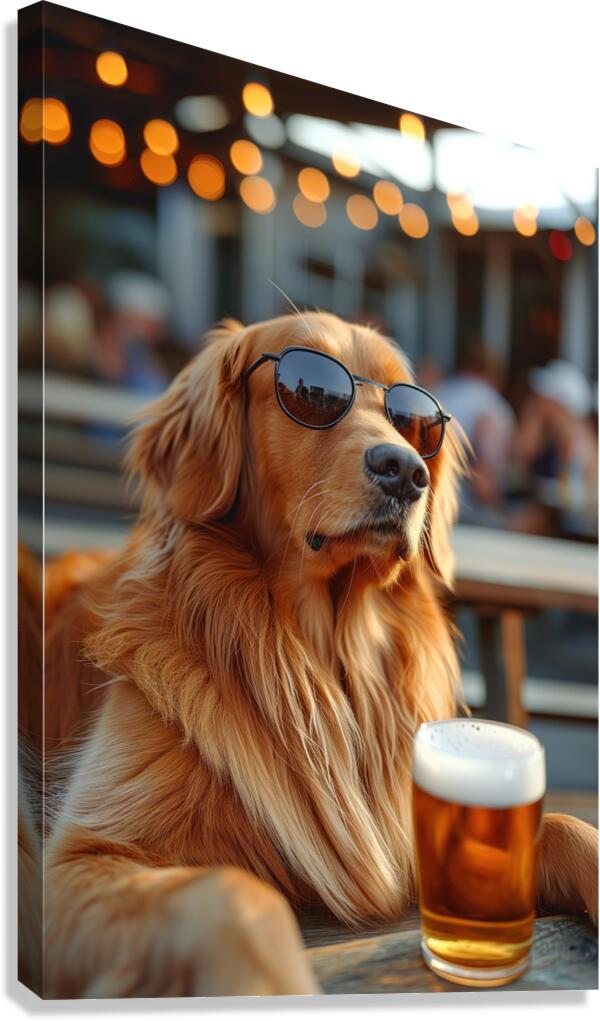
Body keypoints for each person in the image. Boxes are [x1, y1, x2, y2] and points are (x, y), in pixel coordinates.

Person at [510, 360, 597, 537]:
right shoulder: (552, 434)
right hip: (557, 520)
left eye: (543, 396)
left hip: (573, 527)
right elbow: (518, 458)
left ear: (558, 402)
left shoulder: (578, 438)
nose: (537, 399)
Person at [436, 339, 515, 526]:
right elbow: (483, 484)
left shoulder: (438, 392)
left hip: (429, 506)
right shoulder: (491, 406)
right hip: (464, 515)